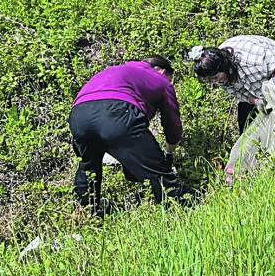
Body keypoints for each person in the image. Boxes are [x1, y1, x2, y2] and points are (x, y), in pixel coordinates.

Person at [68, 56, 187, 213]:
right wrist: (169, 154)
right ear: (162, 72)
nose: (169, 82)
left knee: (89, 166)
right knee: (157, 171)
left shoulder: (110, 71)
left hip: (79, 115)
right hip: (116, 112)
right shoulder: (160, 80)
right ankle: (180, 209)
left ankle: (86, 212)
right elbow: (172, 124)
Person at [190, 36, 275, 134]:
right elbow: (239, 92)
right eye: (210, 80)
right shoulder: (217, 74)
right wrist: (256, 101)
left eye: (215, 78)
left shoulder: (253, 60)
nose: (214, 81)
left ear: (224, 67)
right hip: (253, 87)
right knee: (246, 127)